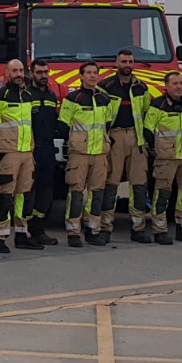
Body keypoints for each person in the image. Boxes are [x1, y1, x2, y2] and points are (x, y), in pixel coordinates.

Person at [58, 62, 114, 247]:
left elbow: (107, 125)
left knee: (96, 193)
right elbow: (63, 126)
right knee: (76, 193)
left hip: (99, 154)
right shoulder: (73, 98)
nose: (92, 76)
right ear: (81, 76)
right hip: (79, 154)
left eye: (94, 73)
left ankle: (93, 231)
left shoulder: (104, 99)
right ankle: (73, 232)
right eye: (88, 73)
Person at [101, 49, 153, 245]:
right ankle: (106, 228)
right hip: (115, 137)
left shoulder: (141, 87)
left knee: (139, 185)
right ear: (116, 63)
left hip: (136, 137)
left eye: (130, 61)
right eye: (124, 61)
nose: (127, 64)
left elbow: (148, 113)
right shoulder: (105, 86)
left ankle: (138, 228)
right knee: (110, 184)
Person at [0, 59, 41, 252]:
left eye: (21, 70)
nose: (19, 74)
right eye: (15, 71)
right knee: (5, 196)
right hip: (8, 154)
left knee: (23, 196)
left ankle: (21, 234)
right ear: (7, 73)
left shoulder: (28, 96)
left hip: (27, 153)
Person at [143, 70, 182, 244]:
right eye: (175, 84)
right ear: (166, 86)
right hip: (166, 157)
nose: (179, 87)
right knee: (162, 194)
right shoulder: (157, 105)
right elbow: (147, 130)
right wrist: (155, 151)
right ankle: (160, 230)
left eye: (181, 83)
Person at [26, 59, 62, 246]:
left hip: (48, 149)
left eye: (46, 72)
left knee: (46, 191)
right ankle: (24, 231)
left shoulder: (51, 96)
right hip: (31, 149)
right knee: (28, 192)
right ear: (31, 73)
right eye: (39, 72)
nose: (43, 76)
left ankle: (39, 230)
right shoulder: (26, 95)